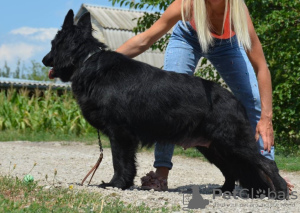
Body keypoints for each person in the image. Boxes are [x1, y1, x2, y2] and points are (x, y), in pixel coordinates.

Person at [116, 0, 293, 191]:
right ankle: (160, 175)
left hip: (228, 45)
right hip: (187, 38)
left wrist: (267, 118)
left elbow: (261, 67)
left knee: (255, 101)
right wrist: (103, 60)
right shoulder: (186, 4)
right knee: (168, 100)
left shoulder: (237, 10)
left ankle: (269, 176)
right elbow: (144, 40)